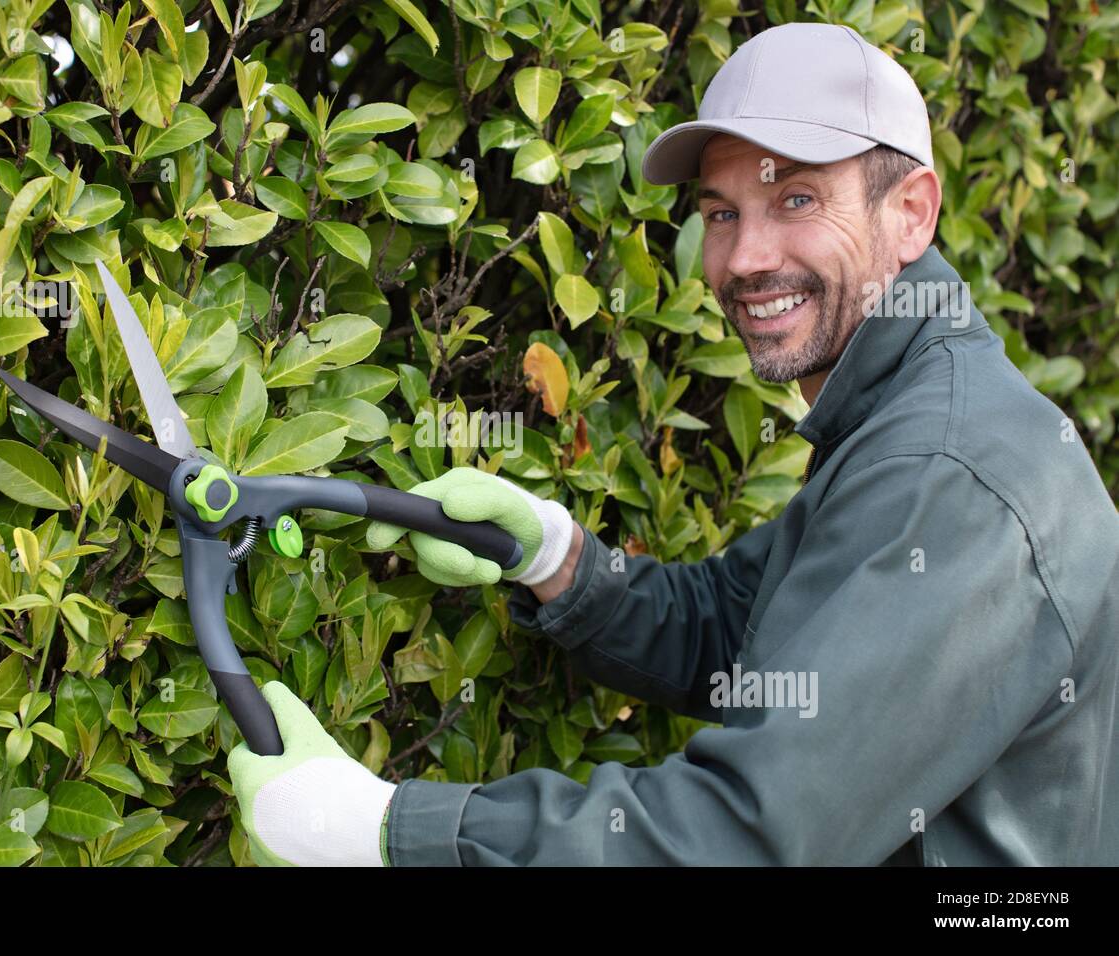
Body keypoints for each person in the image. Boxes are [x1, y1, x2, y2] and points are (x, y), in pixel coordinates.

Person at [227, 22, 1119, 866]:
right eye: (722, 213)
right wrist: (553, 556)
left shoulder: (949, 474)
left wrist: (382, 827)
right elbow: (749, 633)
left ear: (912, 212)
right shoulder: (900, 415)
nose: (743, 260)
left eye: (797, 198)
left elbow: (742, 839)